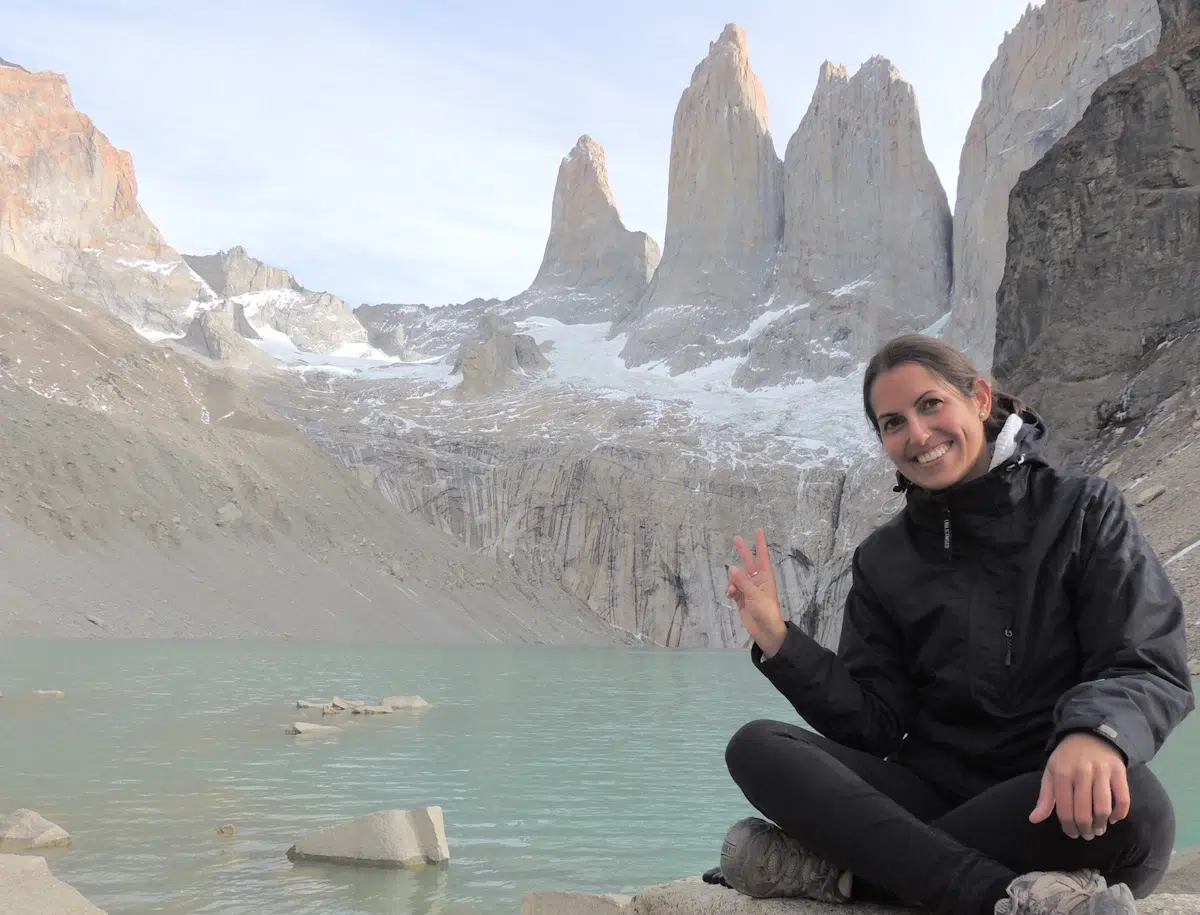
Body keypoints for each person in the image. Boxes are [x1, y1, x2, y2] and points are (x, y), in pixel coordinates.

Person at [710, 334, 1195, 915]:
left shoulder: (1084, 509)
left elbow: (1145, 659)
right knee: (758, 746)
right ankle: (1001, 899)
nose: (918, 435)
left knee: (1137, 805)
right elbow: (875, 726)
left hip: (1045, 799)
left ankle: (855, 875)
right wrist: (780, 642)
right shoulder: (885, 558)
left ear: (981, 400)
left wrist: (1094, 733)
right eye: (893, 423)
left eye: (931, 405)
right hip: (930, 796)